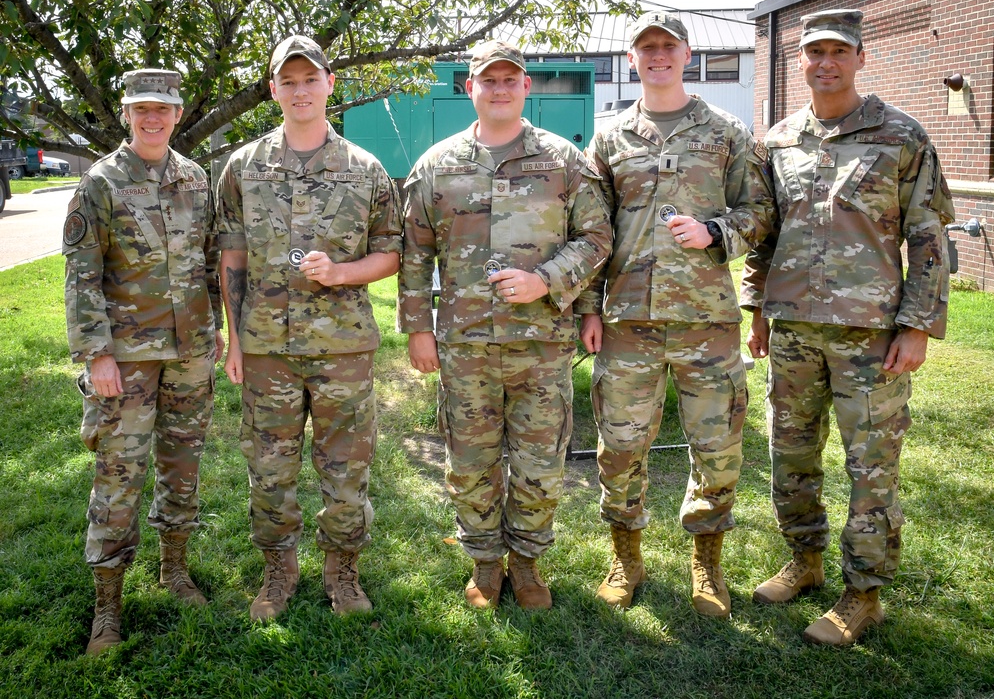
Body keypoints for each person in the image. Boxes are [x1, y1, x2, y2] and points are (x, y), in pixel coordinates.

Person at [741, 9, 953, 645]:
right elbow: (763, 233)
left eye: (839, 50)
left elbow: (930, 238)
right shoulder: (778, 141)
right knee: (791, 455)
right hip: (795, 331)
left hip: (872, 337)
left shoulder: (902, 137)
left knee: (872, 467)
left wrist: (916, 326)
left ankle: (863, 594)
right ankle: (804, 561)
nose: (825, 62)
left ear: (860, 57)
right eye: (814, 52)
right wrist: (756, 311)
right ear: (799, 62)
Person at [398, 40, 612, 610]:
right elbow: (414, 253)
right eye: (487, 80)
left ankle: (529, 563)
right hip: (465, 344)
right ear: (470, 88)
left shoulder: (563, 160)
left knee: (541, 462)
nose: (498, 89)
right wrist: (418, 327)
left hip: (541, 344)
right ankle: (485, 565)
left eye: (509, 80)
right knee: (471, 461)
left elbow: (595, 239)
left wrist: (547, 280)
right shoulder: (437, 166)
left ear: (526, 87)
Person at [579, 11, 774, 617]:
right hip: (627, 322)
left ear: (687, 55)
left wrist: (714, 231)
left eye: (668, 46)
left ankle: (707, 564)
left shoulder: (727, 132)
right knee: (620, 446)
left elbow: (761, 214)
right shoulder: (610, 138)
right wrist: (588, 307)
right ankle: (626, 557)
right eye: (646, 48)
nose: (657, 55)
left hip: (706, 322)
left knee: (716, 447)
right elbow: (589, 230)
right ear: (632, 60)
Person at [217, 35, 402, 621]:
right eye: (287, 81)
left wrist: (343, 272)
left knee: (346, 467)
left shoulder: (365, 170)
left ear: (328, 85)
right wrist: (237, 339)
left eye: (310, 79)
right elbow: (232, 258)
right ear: (273, 89)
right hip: (267, 347)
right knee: (269, 468)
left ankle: (343, 574)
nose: (300, 90)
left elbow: (392, 253)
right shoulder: (243, 167)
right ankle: (278, 572)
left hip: (342, 347)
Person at [63, 69, 224, 655]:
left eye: (163, 109)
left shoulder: (196, 179)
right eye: (142, 110)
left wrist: (217, 333)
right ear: (126, 114)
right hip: (125, 359)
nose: (153, 118)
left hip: (189, 353)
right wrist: (96, 353)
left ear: (178, 114)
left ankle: (173, 569)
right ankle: (108, 604)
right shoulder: (101, 183)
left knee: (183, 466)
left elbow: (210, 265)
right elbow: (80, 276)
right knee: (119, 476)